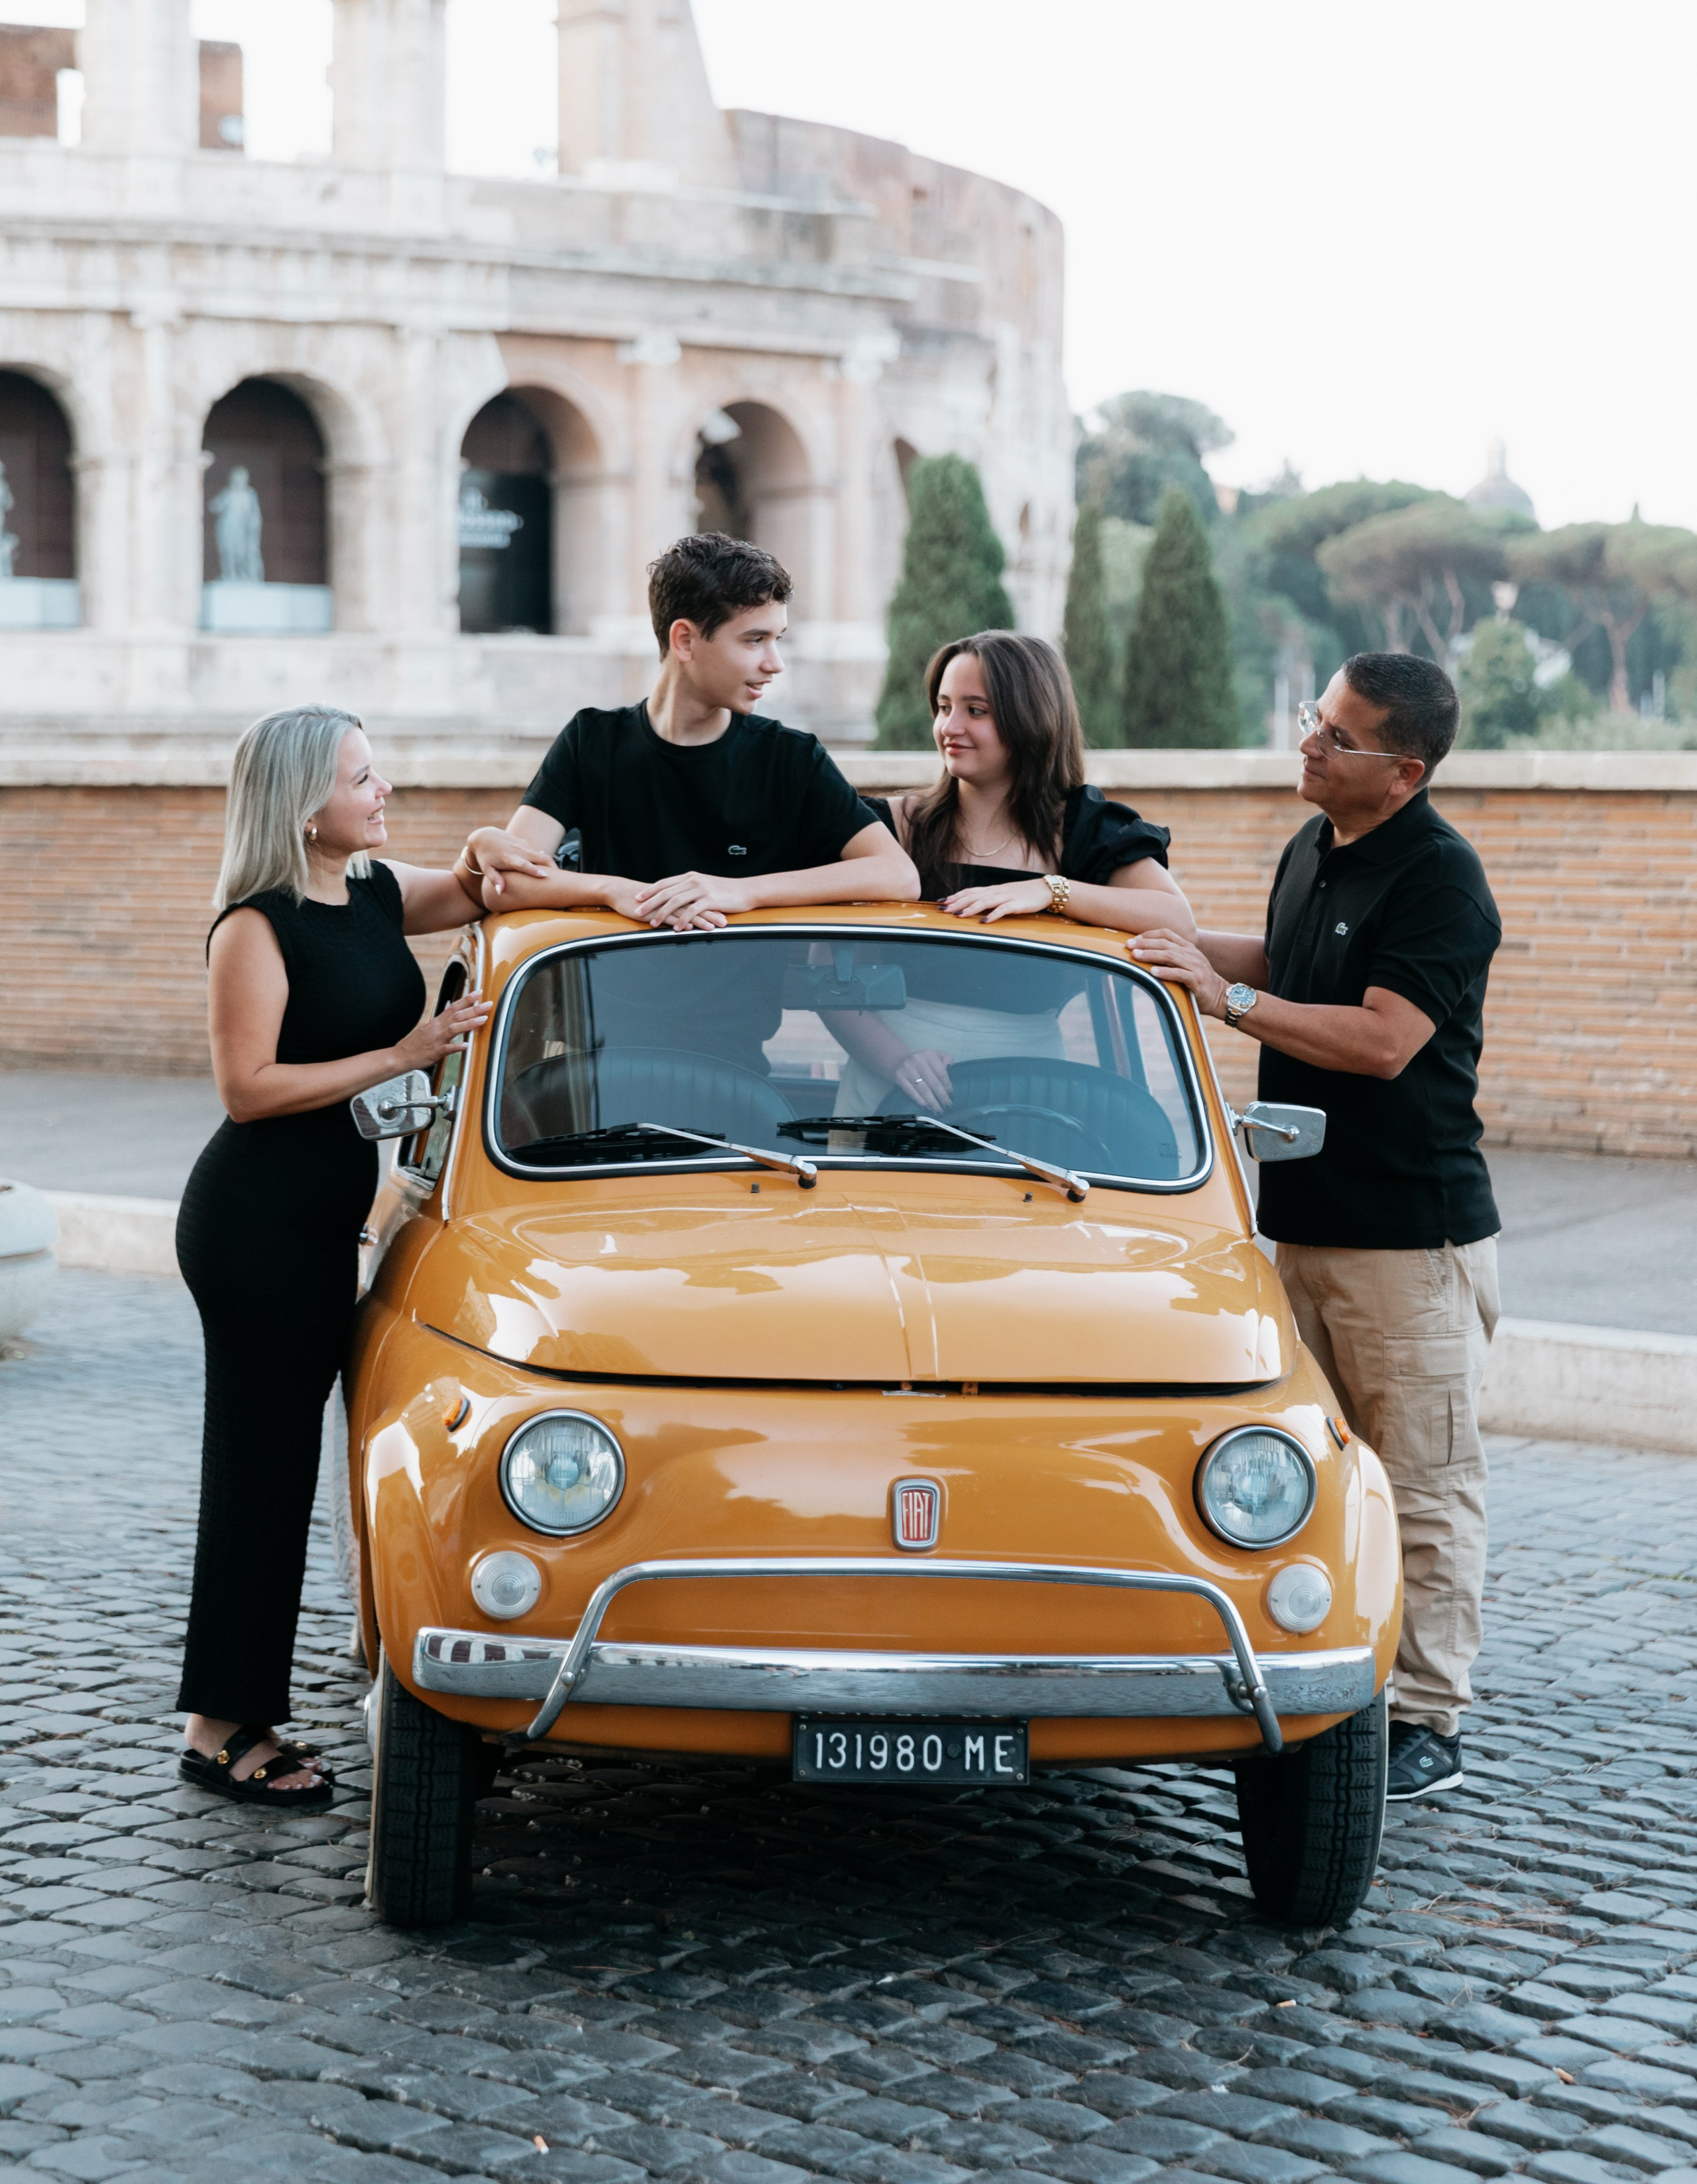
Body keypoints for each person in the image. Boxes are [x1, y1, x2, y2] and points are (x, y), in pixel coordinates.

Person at [1131, 652, 1500, 1802]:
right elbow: (1278, 965)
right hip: (1301, 1223)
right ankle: (1327, 1675)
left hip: (1410, 1240)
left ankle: (1428, 1716)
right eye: (1314, 718)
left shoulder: (1442, 881)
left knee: (1423, 1482)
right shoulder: (1313, 846)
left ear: (1405, 771)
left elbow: (1384, 1040)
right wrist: (1153, 949)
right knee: (1315, 1474)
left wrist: (1231, 1001)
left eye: (1338, 735)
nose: (1309, 743)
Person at [176, 705, 490, 1806]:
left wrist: (539, 858)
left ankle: (239, 1709)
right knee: (259, 1468)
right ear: (306, 804)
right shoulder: (254, 928)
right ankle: (220, 1728)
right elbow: (248, 1088)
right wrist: (403, 1054)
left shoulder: (375, 893)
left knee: (283, 1467)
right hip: (253, 1226)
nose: (382, 789)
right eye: (362, 777)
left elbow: (483, 890)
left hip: (316, 1222)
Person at [461, 532, 917, 925]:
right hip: (612, 999)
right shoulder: (591, 741)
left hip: (750, 1003)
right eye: (755, 640)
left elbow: (897, 875)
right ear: (684, 640)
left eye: (776, 640)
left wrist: (742, 891)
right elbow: (506, 886)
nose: (775, 663)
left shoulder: (791, 757)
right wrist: (612, 890)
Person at [829, 632, 1196, 1115]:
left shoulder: (1086, 830)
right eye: (944, 707)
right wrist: (897, 1062)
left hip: (1034, 1092)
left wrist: (1052, 891)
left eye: (975, 710)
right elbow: (826, 973)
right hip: (888, 1082)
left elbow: (1178, 923)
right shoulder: (894, 826)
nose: (950, 727)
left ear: (1030, 718)